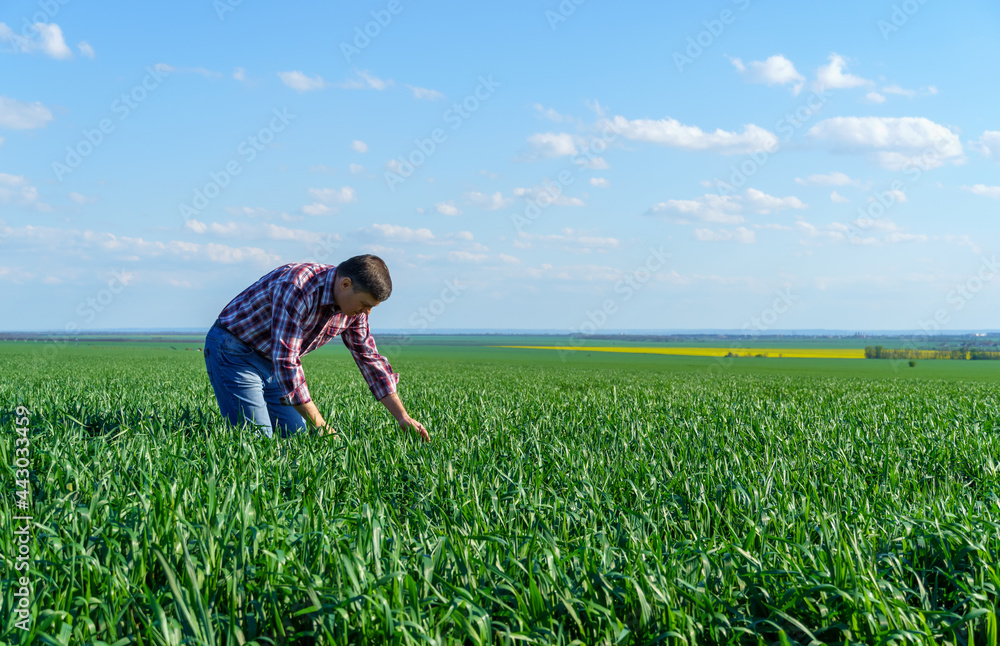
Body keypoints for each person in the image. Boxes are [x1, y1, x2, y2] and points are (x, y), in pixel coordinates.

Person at [203, 254, 429, 441]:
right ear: (345, 284)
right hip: (234, 351)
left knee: (297, 438)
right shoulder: (297, 287)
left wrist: (402, 417)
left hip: (271, 363)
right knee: (256, 440)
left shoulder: (353, 310)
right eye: (365, 304)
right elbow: (286, 360)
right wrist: (321, 424)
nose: (367, 312)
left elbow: (368, 358)